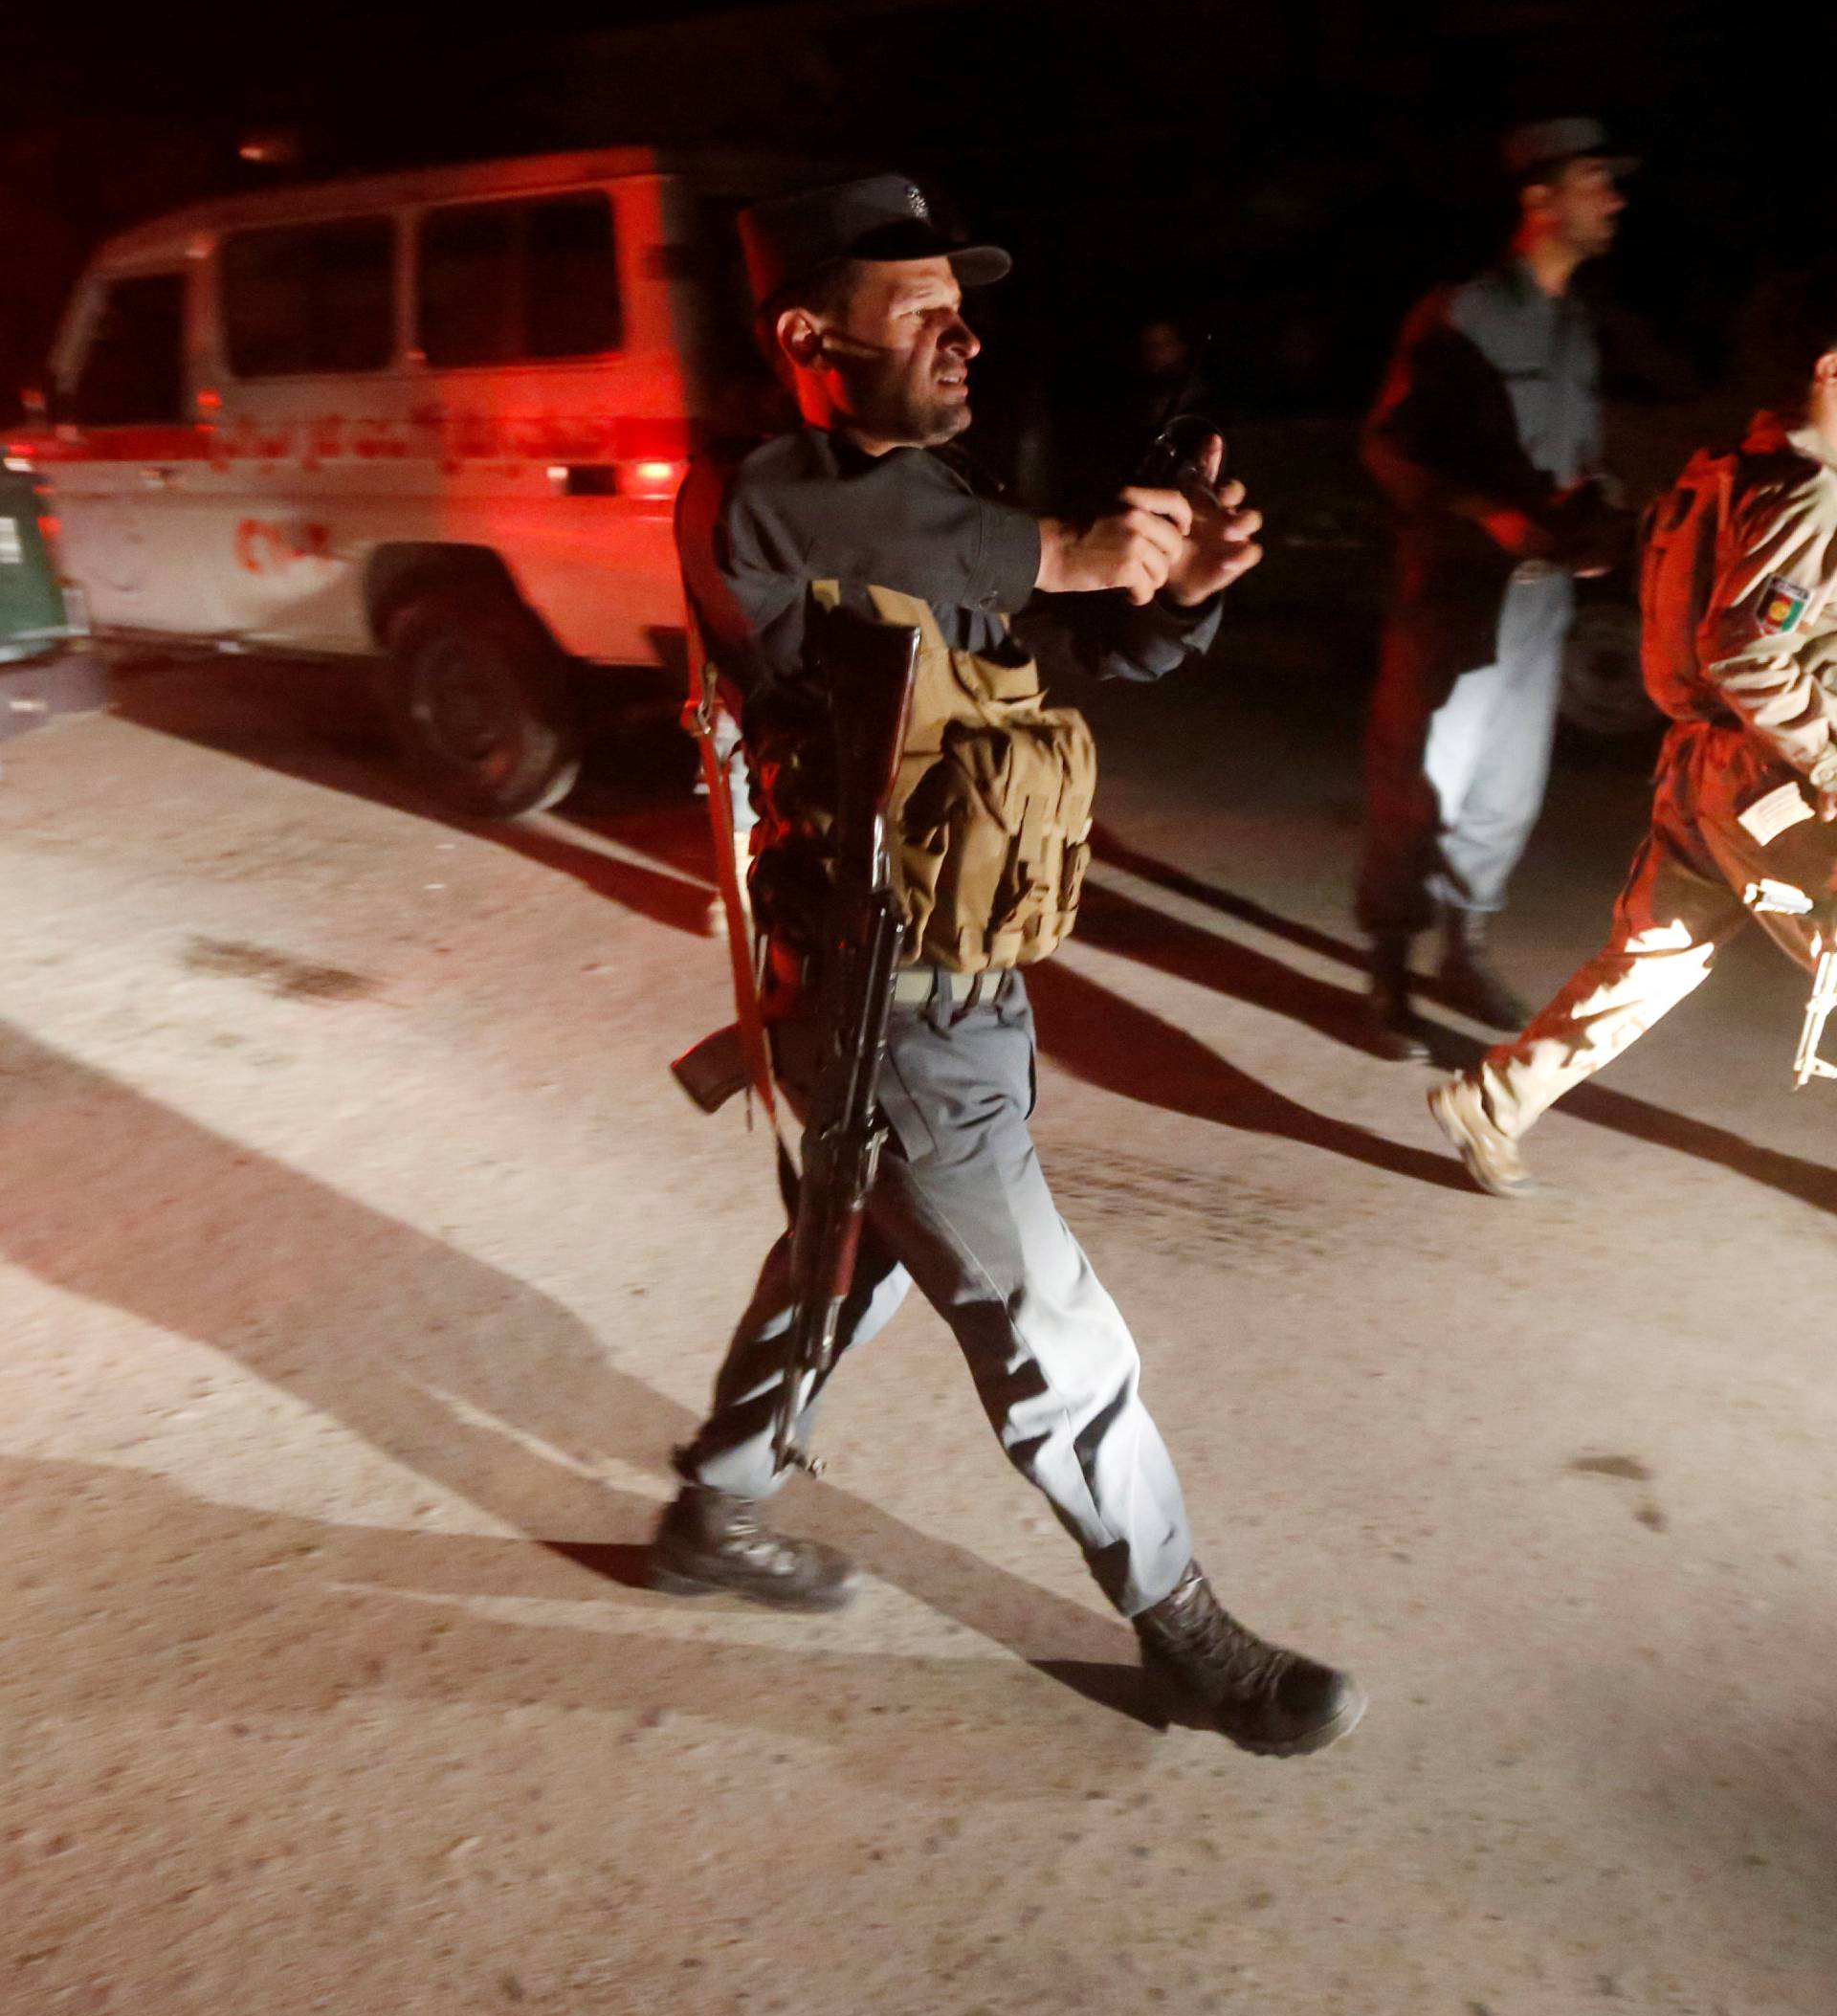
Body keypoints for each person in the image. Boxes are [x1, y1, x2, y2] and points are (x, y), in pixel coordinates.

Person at [650, 174, 1365, 1759]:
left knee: (840, 1261)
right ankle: (1184, 1623)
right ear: (804, 335)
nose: (965, 330)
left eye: (964, 303)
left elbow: (1068, 639)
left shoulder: (942, 495)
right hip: (885, 1000)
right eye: (919, 307)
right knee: (1055, 1329)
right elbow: (932, 540)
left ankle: (716, 1510)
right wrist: (1072, 544)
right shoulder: (756, 493)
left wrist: (1172, 595)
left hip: (960, 978)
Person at [1431, 308, 1837, 1193]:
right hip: (1777, 780)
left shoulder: (1733, 465)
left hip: (1706, 766)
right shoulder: (1814, 488)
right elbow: (1746, 649)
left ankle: (1499, 1099)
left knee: (1656, 956)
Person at [1357, 118, 1634, 1059]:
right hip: (1457, 592)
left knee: (1507, 789)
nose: (1615, 198)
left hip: (1541, 602)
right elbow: (1391, 446)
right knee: (1421, 779)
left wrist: (1595, 517)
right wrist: (1489, 514)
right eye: (1598, 179)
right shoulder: (1463, 312)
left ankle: (1461, 949)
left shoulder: (1575, 327)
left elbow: (1578, 457)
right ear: (1540, 199)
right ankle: (1390, 965)